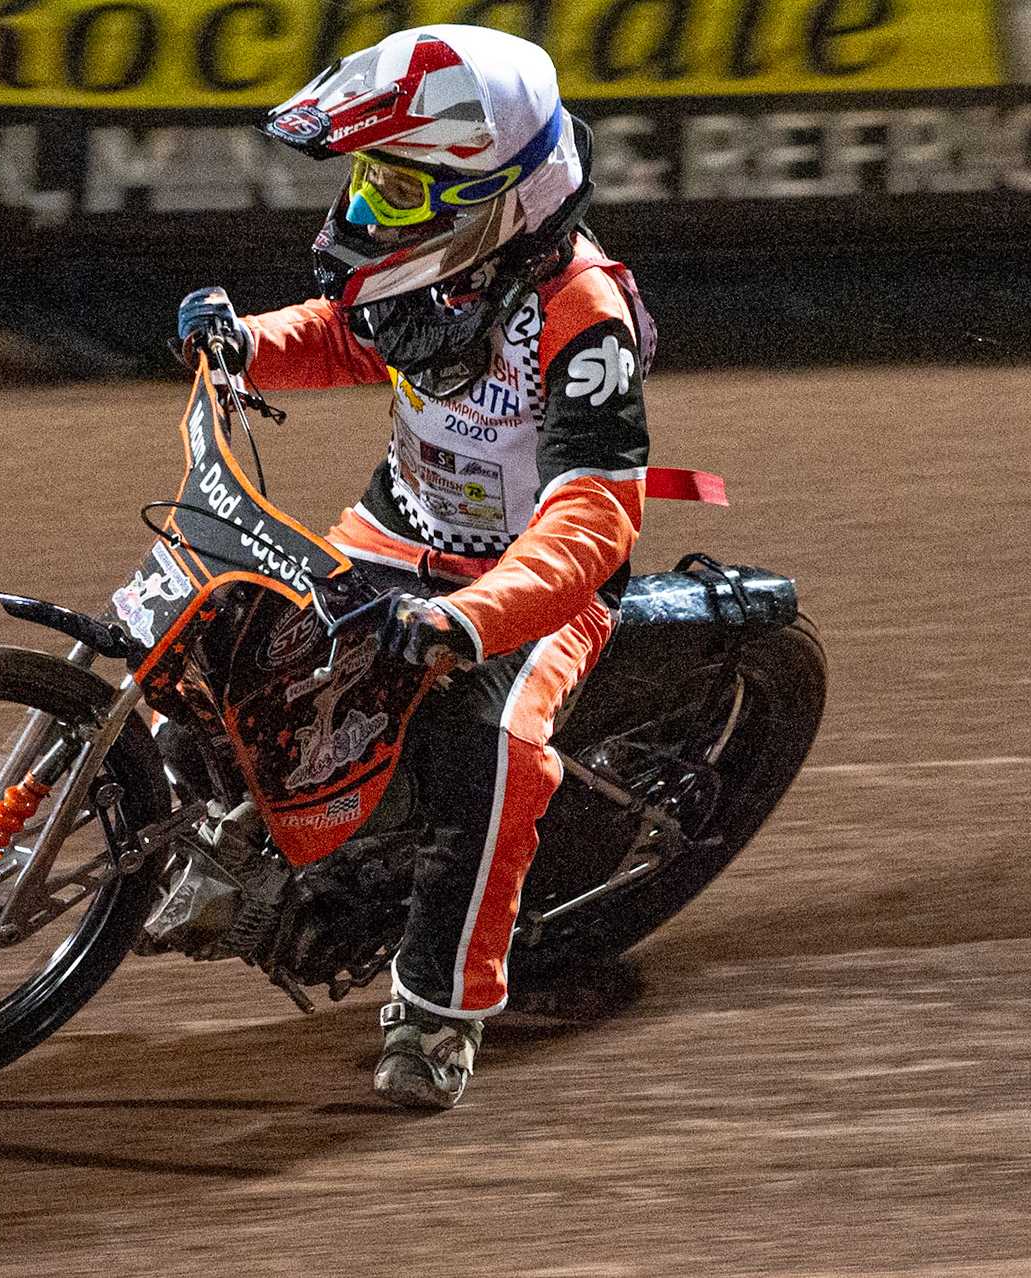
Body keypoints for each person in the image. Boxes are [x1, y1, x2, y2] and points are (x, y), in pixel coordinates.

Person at [177, 24, 656, 1110]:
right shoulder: (445, 271)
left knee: (489, 756)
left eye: (395, 192)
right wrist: (248, 342)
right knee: (227, 645)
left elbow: (591, 519)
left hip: (530, 587)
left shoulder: (585, 319)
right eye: (365, 181)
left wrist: (474, 619)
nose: (361, 212)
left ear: (497, 197)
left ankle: (442, 1013)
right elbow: (354, 340)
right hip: (394, 533)